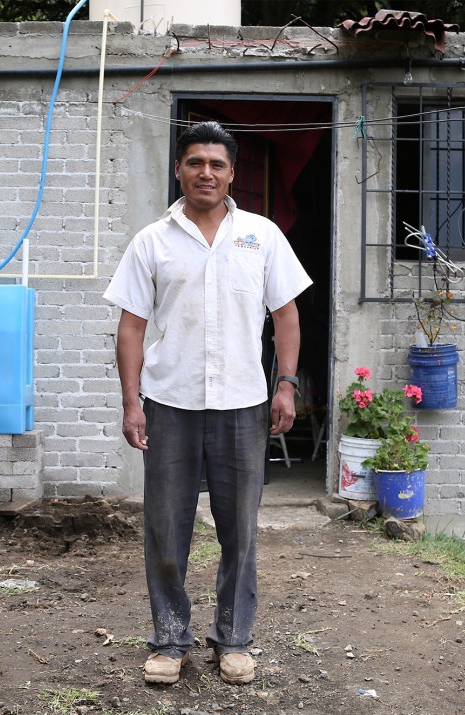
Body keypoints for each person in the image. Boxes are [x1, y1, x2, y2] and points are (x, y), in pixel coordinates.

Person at [103, 120, 312, 686]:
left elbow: (286, 315)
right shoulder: (152, 241)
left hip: (243, 406)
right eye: (195, 162)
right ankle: (170, 639)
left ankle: (234, 639)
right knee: (166, 528)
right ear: (179, 169)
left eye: (217, 164)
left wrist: (285, 384)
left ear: (231, 173)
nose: (206, 173)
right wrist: (131, 403)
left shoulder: (262, 236)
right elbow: (130, 329)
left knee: (239, 530)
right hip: (169, 403)